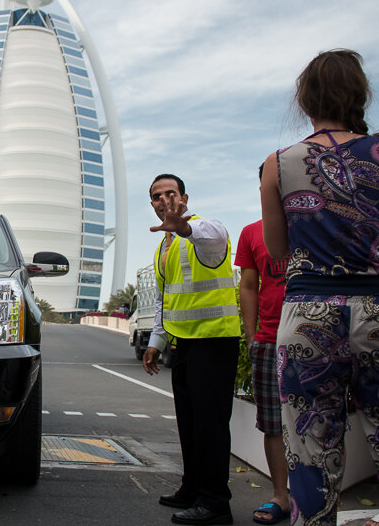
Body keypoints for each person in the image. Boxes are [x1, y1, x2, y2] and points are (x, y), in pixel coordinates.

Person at [260, 49, 379, 526]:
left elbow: (277, 249)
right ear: (359, 94)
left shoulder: (277, 164)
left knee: (311, 453)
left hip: (309, 312)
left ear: (305, 100)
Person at [143, 173, 241, 526]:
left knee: (211, 424)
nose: (164, 200)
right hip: (183, 344)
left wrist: (184, 229)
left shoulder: (203, 231)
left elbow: (215, 238)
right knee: (189, 422)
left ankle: (216, 502)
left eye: (171, 193)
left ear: (185, 197)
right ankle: (193, 487)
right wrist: (155, 343)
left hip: (214, 341)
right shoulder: (162, 246)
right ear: (152, 205)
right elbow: (163, 300)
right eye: (157, 196)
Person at [235, 167, 290, 525]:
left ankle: (317, 495)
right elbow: (249, 285)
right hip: (269, 341)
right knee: (273, 425)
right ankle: (280, 497)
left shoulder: (314, 224)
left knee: (320, 422)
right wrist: (253, 336)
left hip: (314, 337)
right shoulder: (251, 233)